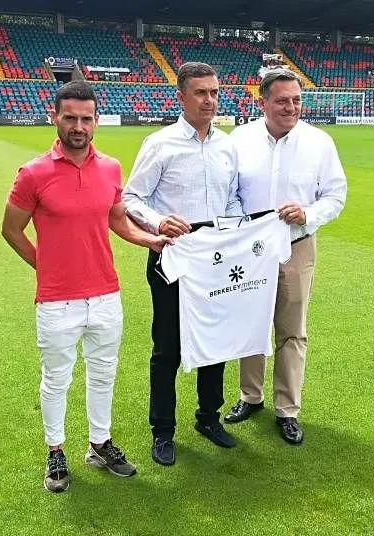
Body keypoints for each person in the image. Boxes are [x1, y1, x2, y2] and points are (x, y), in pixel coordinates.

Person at [1, 81, 171, 493]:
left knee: (103, 374)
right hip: (57, 300)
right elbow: (11, 230)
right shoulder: (34, 173)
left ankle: (100, 443)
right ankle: (55, 450)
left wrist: (150, 239)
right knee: (56, 378)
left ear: (96, 121)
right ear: (55, 117)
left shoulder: (110, 168)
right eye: (70, 117)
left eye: (86, 118)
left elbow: (116, 219)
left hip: (106, 294)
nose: (79, 126)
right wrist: (48, 268)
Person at [123, 62, 242, 466]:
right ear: (181, 97)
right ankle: (163, 431)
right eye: (200, 93)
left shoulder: (227, 145)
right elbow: (130, 199)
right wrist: (159, 222)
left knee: (216, 343)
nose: (209, 100)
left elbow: (233, 200)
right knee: (168, 348)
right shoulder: (161, 143)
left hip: (215, 262)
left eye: (213, 92)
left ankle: (208, 418)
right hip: (171, 258)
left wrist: (236, 225)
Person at [223, 69, 347, 445]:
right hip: (251, 250)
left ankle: (287, 409)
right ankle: (251, 396)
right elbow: (228, 192)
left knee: (292, 330)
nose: (290, 107)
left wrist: (307, 213)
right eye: (281, 100)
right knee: (251, 325)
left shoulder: (319, 142)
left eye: (295, 100)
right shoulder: (240, 139)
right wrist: (241, 223)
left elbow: (335, 195)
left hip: (297, 246)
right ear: (262, 102)